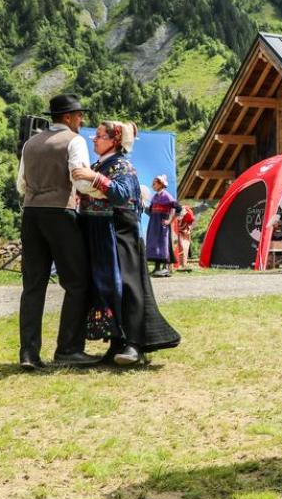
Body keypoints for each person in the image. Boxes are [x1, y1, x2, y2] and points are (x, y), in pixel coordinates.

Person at [71, 121, 181, 364]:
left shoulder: (123, 166)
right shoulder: (100, 164)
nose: (94, 140)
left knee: (128, 286)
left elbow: (122, 195)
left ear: (115, 140)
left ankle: (134, 344)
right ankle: (116, 343)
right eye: (96, 136)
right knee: (108, 287)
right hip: (100, 232)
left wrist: (94, 179)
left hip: (120, 233)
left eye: (100, 136)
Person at [15, 94, 101, 370]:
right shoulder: (74, 141)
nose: (81, 120)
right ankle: (68, 349)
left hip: (30, 214)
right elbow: (80, 178)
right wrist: (100, 190)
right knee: (77, 282)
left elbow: (21, 185)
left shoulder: (30, 144)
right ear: (67, 118)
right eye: (78, 116)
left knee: (33, 286)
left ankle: (28, 353)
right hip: (60, 213)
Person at [145, 175, 180, 277]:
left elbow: (179, 209)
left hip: (162, 226)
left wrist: (170, 220)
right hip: (154, 225)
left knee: (163, 245)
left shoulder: (167, 197)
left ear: (161, 184)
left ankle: (165, 269)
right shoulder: (155, 197)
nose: (152, 186)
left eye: (154, 184)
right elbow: (151, 211)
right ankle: (157, 268)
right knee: (155, 245)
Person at [175, 205, 195, 270]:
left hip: (185, 231)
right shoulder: (176, 214)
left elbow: (191, 222)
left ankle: (183, 264)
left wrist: (188, 229)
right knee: (180, 246)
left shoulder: (189, 215)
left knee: (184, 246)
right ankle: (178, 264)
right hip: (179, 231)